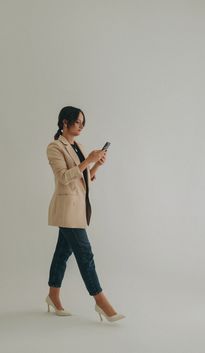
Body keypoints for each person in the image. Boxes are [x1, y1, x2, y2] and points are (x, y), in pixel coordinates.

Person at [45, 106, 125, 322]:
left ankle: (53, 296)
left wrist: (96, 165)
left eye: (83, 123)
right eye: (78, 122)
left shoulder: (78, 146)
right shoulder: (54, 147)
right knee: (85, 254)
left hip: (79, 208)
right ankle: (100, 301)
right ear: (65, 122)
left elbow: (83, 180)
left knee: (62, 253)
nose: (81, 126)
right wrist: (88, 161)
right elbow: (64, 177)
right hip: (66, 209)